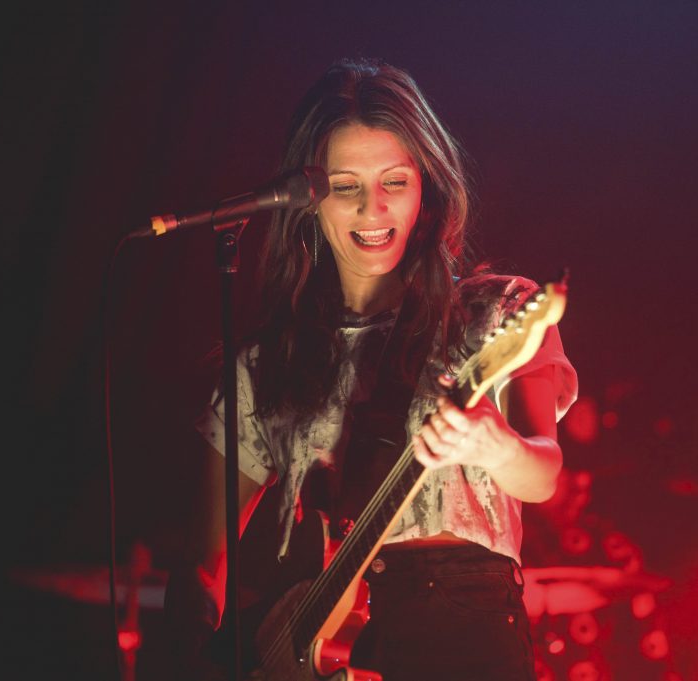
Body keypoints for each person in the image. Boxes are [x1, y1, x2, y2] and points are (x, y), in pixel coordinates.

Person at [163, 57, 578, 681]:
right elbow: (201, 561)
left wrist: (496, 445)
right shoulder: (264, 363)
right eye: (345, 185)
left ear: (426, 189)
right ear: (307, 200)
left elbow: (543, 471)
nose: (372, 209)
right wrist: (196, 656)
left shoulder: (493, 314)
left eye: (395, 182)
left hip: (466, 636)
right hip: (311, 649)